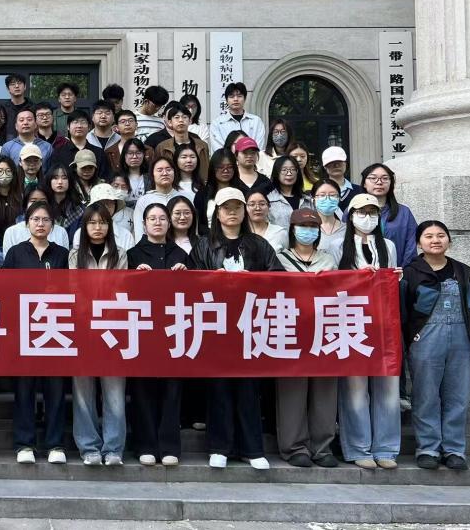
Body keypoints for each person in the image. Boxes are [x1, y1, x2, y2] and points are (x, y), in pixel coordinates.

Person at [189, 187, 282, 470]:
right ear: (217, 213)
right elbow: (189, 283)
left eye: (237, 207)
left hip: (250, 324)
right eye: (226, 208)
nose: (232, 213)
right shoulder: (204, 245)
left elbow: (278, 277)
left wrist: (252, 279)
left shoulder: (259, 244)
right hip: (215, 324)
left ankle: (252, 449)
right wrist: (211, 279)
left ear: (245, 212)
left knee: (248, 387)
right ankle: (220, 447)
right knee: (218, 386)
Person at [403, 221, 470, 471]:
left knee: (458, 396)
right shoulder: (410, 273)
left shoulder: (464, 271)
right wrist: (411, 339)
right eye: (428, 236)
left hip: (461, 338)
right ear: (419, 243)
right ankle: (428, 448)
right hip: (425, 337)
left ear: (449, 240)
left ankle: (454, 449)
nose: (435, 240)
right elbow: (403, 311)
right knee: (426, 395)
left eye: (441, 235)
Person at [3, 201, 70, 465]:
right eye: (35, 219)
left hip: (55, 328)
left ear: (53, 225)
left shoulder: (62, 254)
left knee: (55, 388)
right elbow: (5, 291)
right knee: (24, 387)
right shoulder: (16, 253)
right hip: (24, 328)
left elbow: (73, 289)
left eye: (45, 220)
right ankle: (24, 443)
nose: (40, 224)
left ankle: (55, 443)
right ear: (27, 223)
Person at [338, 192, 401, 470]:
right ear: (351, 216)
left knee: (388, 387)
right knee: (355, 389)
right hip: (351, 322)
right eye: (361, 212)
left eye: (372, 212)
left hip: (384, 324)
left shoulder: (388, 246)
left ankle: (386, 448)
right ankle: (358, 447)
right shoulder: (338, 246)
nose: (367, 217)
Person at [275, 208, 340, 468]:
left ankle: (322, 447)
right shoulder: (280, 259)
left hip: (324, 329)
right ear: (292, 229)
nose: (308, 231)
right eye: (303, 226)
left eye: (313, 227)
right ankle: (294, 447)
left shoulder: (328, 259)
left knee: (325, 390)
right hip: (290, 330)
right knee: (292, 390)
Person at [127, 202, 190, 466]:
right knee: (143, 388)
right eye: (152, 218)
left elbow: (193, 294)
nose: (157, 222)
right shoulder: (132, 254)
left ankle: (169, 446)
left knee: (172, 388)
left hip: (174, 329)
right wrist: (135, 277)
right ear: (143, 224)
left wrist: (186, 276)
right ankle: (145, 444)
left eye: (162, 218)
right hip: (142, 329)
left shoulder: (181, 254)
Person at [70, 203, 130, 467]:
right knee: (83, 390)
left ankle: (114, 448)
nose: (97, 227)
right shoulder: (75, 256)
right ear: (84, 227)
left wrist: (101, 305)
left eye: (102, 222)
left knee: (114, 390)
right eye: (92, 223)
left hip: (113, 328)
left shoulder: (120, 254)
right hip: (82, 328)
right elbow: (74, 290)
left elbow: (120, 290)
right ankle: (88, 447)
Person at [361, 163, 418, 267]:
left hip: (397, 272)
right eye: (373, 178)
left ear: (391, 183)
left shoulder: (404, 212)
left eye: (385, 178)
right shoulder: (353, 211)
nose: (379, 182)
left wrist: (403, 271)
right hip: (362, 272)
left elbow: (411, 246)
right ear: (364, 183)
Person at [132, 157, 191, 236]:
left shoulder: (185, 197)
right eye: (160, 170)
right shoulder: (144, 201)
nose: (165, 173)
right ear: (152, 174)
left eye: (168, 170)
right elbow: (139, 232)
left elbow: (193, 227)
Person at [155, 104, 210, 182]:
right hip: (171, 187)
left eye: (184, 117)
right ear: (170, 122)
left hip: (198, 186)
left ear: (190, 121)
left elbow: (206, 171)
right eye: (177, 117)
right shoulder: (162, 147)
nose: (181, 120)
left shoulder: (202, 146)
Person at [194, 149, 242, 235]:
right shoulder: (202, 194)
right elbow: (200, 226)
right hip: (210, 238)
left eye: (230, 167)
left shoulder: (242, 191)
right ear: (213, 168)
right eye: (220, 167)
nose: (225, 170)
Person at [209, 82, 267, 151]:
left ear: (245, 98)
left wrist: (247, 155)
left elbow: (259, 147)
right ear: (226, 100)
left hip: (251, 157)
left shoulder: (256, 121)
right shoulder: (217, 123)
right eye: (231, 96)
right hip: (227, 158)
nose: (236, 99)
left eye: (239, 96)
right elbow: (219, 149)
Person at [320, 146, 365, 211]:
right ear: (325, 167)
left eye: (339, 162)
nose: (336, 166)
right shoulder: (318, 191)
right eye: (331, 163)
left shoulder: (359, 191)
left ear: (346, 164)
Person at [313, 179, 346, 263]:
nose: (327, 199)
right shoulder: (308, 229)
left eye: (332, 195)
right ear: (313, 199)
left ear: (339, 199)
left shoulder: (348, 229)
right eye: (322, 195)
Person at [44, 164, 84, 235]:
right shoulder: (43, 205)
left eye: (64, 178)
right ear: (49, 180)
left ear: (70, 181)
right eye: (55, 178)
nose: (60, 182)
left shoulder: (79, 208)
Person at [246, 189, 289, 253]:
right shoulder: (239, 232)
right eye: (252, 204)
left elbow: (285, 257)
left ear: (268, 207)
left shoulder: (280, 232)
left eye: (262, 204)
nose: (258, 208)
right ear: (245, 208)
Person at [118, 138, 149, 211]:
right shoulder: (118, 178)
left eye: (138, 153)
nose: (134, 156)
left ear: (143, 155)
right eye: (130, 153)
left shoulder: (150, 177)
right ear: (124, 155)